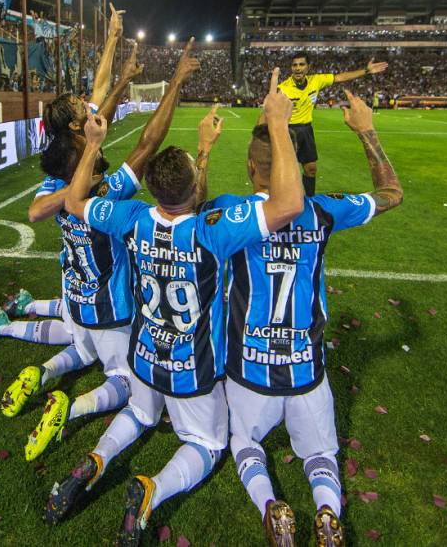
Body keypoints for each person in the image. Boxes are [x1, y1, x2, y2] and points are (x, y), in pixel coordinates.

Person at [51, 69, 304, 546]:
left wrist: (90, 144)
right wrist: (275, 122)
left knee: (141, 415)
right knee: (207, 444)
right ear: (193, 190)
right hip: (190, 368)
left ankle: (97, 460)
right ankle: (153, 490)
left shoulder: (131, 217)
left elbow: (76, 198)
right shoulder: (212, 230)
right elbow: (289, 203)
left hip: (144, 355)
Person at [0, 9, 174, 465]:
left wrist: (116, 54)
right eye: (84, 109)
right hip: (109, 304)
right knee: (125, 380)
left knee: (76, 346)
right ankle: (74, 408)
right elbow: (144, 147)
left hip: (76, 294)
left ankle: (39, 372)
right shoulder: (104, 191)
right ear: (74, 130)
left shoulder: (55, 178)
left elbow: (100, 93)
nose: (91, 106)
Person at [207, 88, 402, 547]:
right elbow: (391, 193)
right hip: (306, 374)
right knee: (321, 454)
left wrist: (204, 151)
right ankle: (328, 512)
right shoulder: (321, 212)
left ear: (251, 169)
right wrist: (367, 131)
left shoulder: (225, 212)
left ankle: (271, 506)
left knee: (245, 445)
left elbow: (183, 201)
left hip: (248, 375)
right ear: (297, 165)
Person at [278, 52, 388, 196]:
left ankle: (310, 202)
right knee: (285, 171)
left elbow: (340, 77)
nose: (298, 68)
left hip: (306, 130)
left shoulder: (316, 80)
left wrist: (366, 70)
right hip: (288, 131)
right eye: (294, 65)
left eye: (301, 64)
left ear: (308, 67)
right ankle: (282, 203)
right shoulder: (283, 88)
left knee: (311, 169)